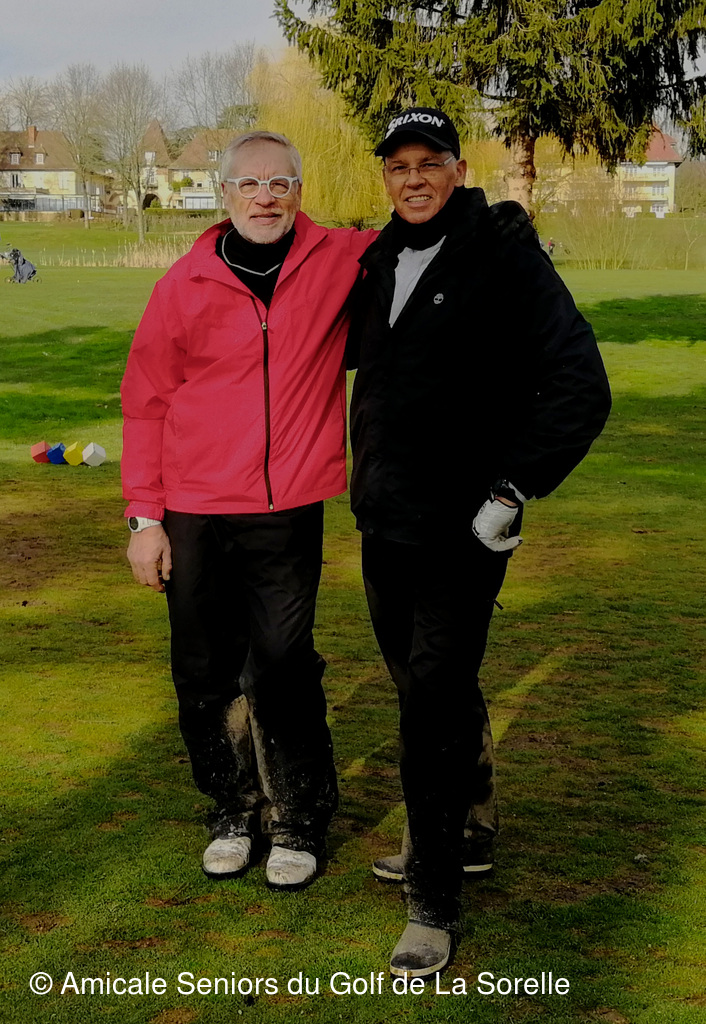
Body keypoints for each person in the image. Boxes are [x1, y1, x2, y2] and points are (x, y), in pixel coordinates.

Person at [348, 108, 611, 976]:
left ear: (459, 170)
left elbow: (580, 383)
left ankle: (432, 901)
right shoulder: (379, 258)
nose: (414, 179)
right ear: (386, 178)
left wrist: (513, 488)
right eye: (399, 166)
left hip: (464, 529)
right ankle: (464, 827)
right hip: (384, 520)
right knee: (423, 688)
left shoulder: (503, 255)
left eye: (430, 163)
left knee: (431, 702)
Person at [121, 131, 375, 891]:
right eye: (250, 184)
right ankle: (232, 810)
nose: (266, 198)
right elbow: (146, 403)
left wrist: (491, 219)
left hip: (285, 508)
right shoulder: (184, 282)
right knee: (203, 668)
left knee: (284, 664)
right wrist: (144, 518)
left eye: (280, 183)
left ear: (299, 191)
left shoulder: (340, 259)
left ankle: (297, 818)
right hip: (193, 507)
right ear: (224, 193)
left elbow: (424, 225)